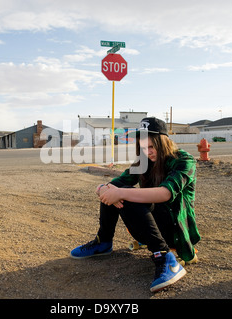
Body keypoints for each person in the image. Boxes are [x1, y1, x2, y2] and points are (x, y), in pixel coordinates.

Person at [70, 117, 200, 293]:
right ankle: (103, 242)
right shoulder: (143, 163)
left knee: (124, 193)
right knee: (117, 189)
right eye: (144, 148)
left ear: (164, 143)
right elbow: (114, 184)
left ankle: (165, 259)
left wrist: (120, 193)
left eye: (152, 147)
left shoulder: (184, 161)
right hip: (150, 229)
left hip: (175, 231)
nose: (148, 152)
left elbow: (165, 193)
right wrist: (103, 188)